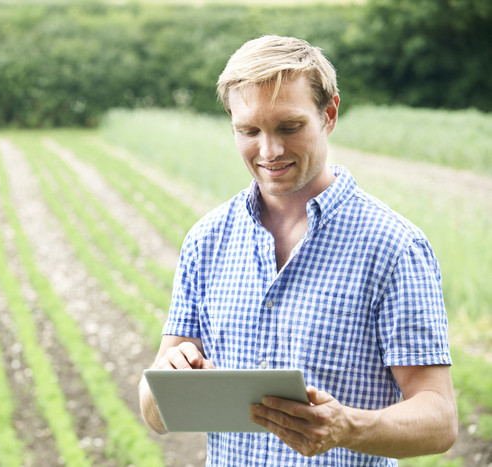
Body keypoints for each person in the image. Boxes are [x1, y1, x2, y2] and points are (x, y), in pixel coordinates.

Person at [138, 35, 458, 466]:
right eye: (249, 131)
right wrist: (168, 380)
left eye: (289, 127)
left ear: (329, 114)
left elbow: (439, 419)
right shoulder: (207, 239)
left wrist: (348, 427)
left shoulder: (394, 247)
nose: (269, 151)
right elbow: (154, 413)